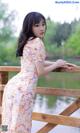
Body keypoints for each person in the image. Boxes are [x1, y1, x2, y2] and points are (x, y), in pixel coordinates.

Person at [1, 12, 76, 133]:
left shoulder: (27, 41)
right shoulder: (37, 42)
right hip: (24, 90)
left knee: (8, 120)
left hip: (12, 87)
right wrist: (57, 64)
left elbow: (36, 62)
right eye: (37, 25)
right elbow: (40, 71)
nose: (42, 28)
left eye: (43, 24)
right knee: (21, 124)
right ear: (29, 27)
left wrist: (57, 63)